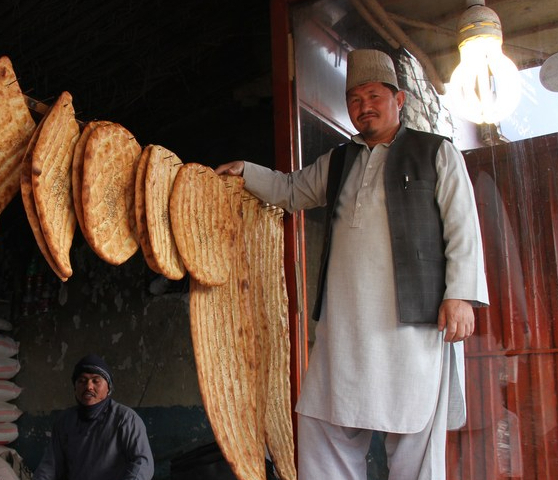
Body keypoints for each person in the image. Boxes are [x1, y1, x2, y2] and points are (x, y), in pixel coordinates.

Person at [215, 49, 489, 480]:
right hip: (344, 328)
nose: (364, 106)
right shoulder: (339, 161)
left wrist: (460, 297)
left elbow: (463, 225)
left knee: (415, 441)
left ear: (399, 101)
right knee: (324, 427)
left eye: (374, 95)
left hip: (412, 327)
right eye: (355, 99)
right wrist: (246, 171)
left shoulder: (436, 152)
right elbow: (290, 191)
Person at [33, 353, 154, 480]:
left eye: (96, 381)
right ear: (75, 388)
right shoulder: (64, 422)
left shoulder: (126, 419)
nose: (89, 386)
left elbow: (142, 463)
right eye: (82, 381)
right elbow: (50, 467)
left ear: (109, 388)